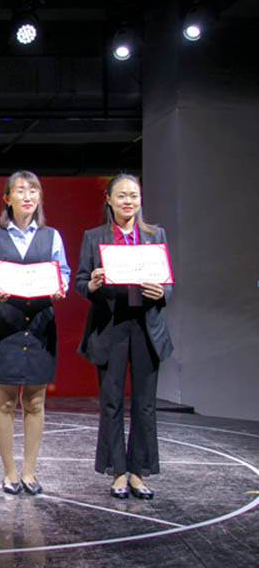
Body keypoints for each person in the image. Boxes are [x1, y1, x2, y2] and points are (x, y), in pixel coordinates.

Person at [0, 171, 70, 496]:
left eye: (33, 191)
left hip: (40, 325)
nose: (27, 196)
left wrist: (60, 286)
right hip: (6, 326)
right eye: (20, 190)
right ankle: (9, 472)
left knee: (35, 402)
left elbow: (63, 271)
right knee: (4, 403)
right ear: (7, 198)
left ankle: (29, 471)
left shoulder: (51, 236)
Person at [76, 173, 172, 500]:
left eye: (133, 195)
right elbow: (81, 282)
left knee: (145, 404)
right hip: (110, 326)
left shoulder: (155, 235)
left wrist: (162, 292)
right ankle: (118, 470)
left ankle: (139, 472)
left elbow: (168, 282)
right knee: (111, 401)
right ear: (109, 199)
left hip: (147, 327)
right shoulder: (95, 237)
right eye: (121, 195)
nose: (128, 201)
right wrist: (92, 285)